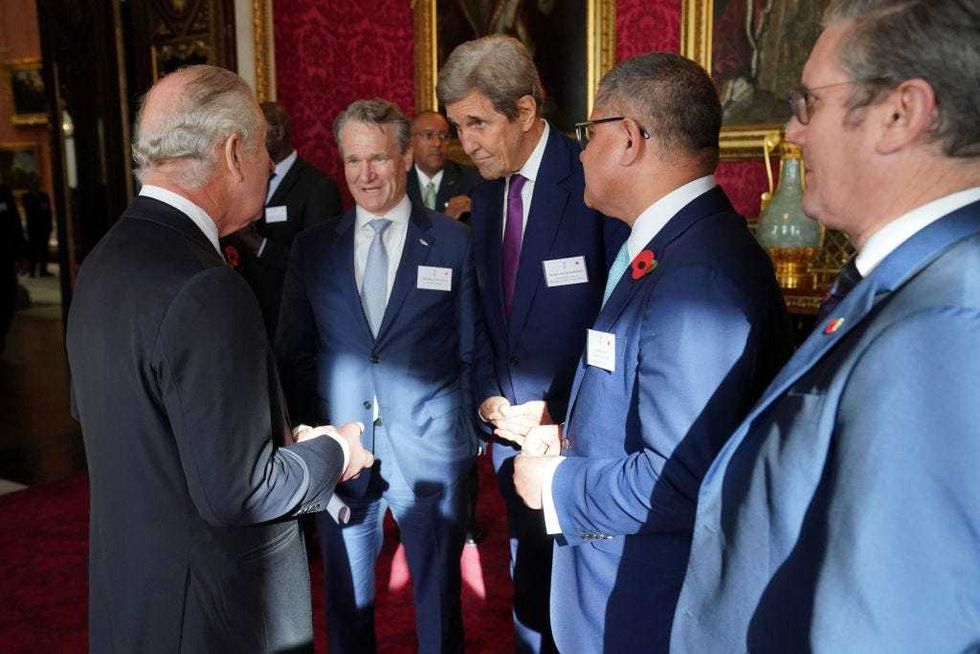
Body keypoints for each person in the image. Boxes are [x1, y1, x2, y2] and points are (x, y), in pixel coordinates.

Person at [671, 1, 980, 651]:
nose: (792, 131)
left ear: (901, 114)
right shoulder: (915, 282)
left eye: (809, 103)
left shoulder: (941, 326)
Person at [65, 65, 373, 653]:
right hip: (213, 616)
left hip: (133, 597)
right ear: (234, 153)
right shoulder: (206, 286)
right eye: (263, 147)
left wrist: (267, 438)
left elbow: (128, 422)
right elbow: (244, 489)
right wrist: (336, 450)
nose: (270, 164)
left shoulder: (103, 261)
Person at [510, 52, 794, 653]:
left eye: (589, 133)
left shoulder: (696, 276)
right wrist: (575, 439)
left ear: (629, 138)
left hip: (645, 607)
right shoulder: (675, 246)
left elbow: (679, 477)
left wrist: (557, 483)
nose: (580, 153)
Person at [438, 34, 624, 653]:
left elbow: (616, 317)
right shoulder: (487, 192)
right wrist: (488, 396)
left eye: (477, 123)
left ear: (524, 110)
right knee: (529, 590)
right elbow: (483, 312)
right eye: (457, 126)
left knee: (581, 606)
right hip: (510, 437)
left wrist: (563, 414)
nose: (466, 143)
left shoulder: (592, 177)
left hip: (580, 441)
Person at [277, 99, 480, 654]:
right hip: (343, 453)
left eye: (379, 159)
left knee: (439, 605)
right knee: (346, 604)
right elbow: (294, 352)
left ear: (406, 157)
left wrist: (465, 439)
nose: (365, 175)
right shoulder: (313, 249)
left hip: (430, 450)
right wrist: (311, 434)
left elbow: (471, 349)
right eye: (353, 160)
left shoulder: (454, 242)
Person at [221, 101, 342, 337]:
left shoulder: (318, 186)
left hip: (290, 316)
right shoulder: (242, 178)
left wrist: (259, 244)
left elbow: (318, 265)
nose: (246, 140)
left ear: (278, 132)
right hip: (246, 314)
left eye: (255, 131)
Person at [407, 110, 481, 223]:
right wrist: (446, 220)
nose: (437, 143)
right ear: (410, 141)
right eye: (429, 135)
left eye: (444, 136)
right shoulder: (398, 181)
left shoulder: (472, 180)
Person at [0, 176, 24, 353]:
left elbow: (15, 223)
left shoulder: (3, 193)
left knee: (8, 298)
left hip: (5, 256)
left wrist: (21, 252)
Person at [22, 175, 53, 277]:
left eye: (37, 182)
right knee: (33, 250)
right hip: (33, 227)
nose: (36, 184)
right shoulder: (26, 196)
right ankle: (32, 270)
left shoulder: (44, 195)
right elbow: (29, 210)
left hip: (44, 227)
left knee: (44, 250)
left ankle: (43, 270)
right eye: (34, 183)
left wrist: (49, 225)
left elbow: (48, 211)